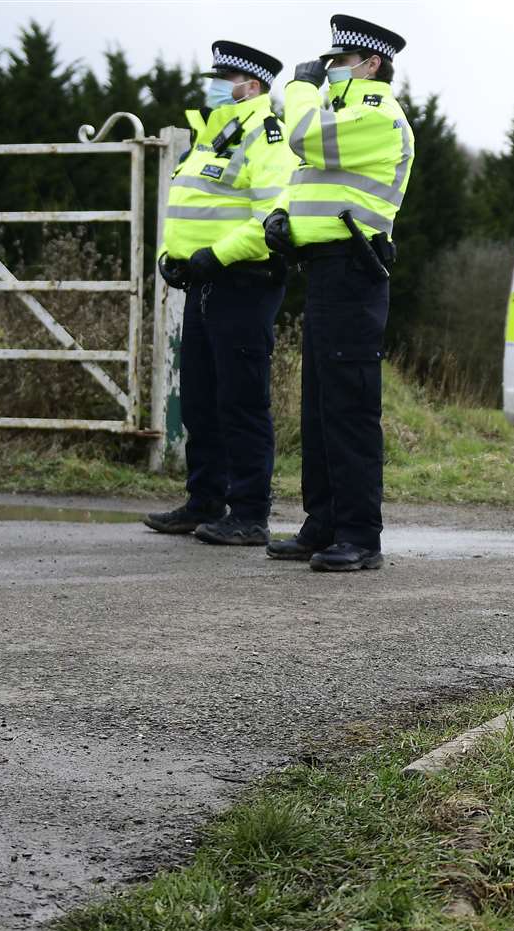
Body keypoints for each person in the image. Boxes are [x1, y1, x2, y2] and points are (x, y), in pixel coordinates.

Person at [261, 14, 415, 572]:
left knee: (348, 405)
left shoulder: (377, 114)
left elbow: (303, 139)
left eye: (340, 63)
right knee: (321, 404)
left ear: (371, 64)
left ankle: (359, 534)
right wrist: (281, 215)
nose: (330, 72)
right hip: (324, 268)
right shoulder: (342, 113)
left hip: (353, 268)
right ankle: (322, 523)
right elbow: (304, 174)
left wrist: (299, 87)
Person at [143, 41, 299, 545]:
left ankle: (250, 512)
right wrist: (173, 256)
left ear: (250, 87)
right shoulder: (212, 136)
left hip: (245, 282)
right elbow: (192, 206)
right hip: (204, 281)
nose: (212, 86)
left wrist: (215, 256)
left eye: (223, 78)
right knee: (201, 401)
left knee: (241, 400)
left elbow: (272, 217)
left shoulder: (266, 136)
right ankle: (205, 499)